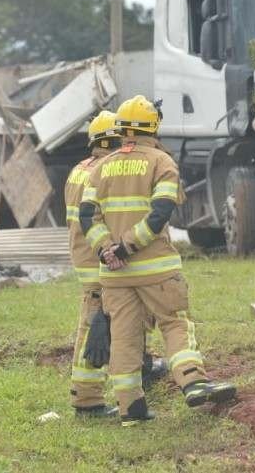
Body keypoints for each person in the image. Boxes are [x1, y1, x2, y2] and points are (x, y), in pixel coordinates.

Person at [79, 95, 236, 426]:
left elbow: (86, 217)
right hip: (156, 269)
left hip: (114, 276)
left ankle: (130, 409)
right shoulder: (161, 161)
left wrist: (106, 250)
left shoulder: (101, 167)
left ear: (121, 128)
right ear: (153, 127)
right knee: (175, 323)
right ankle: (193, 382)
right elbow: (162, 210)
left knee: (124, 338)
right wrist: (127, 246)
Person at [64, 111, 165, 418]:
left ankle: (90, 394)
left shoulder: (78, 170)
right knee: (106, 330)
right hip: (107, 264)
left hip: (87, 265)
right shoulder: (107, 172)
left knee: (94, 329)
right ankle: (89, 399)